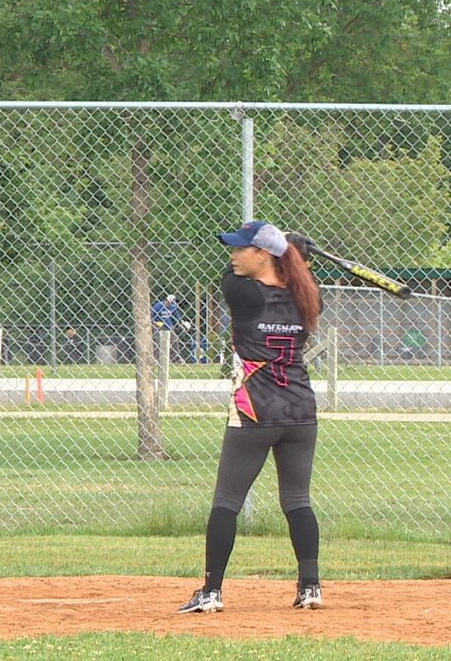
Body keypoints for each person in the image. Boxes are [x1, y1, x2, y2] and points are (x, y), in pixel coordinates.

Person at [178, 220, 325, 614]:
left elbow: (229, 277)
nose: (233, 255)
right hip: (300, 410)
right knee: (297, 499)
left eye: (242, 248)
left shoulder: (242, 292)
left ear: (263, 255)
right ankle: (310, 586)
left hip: (254, 411)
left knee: (227, 499)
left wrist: (289, 249)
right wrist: (295, 254)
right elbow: (291, 277)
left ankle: (211, 591)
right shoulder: (308, 295)